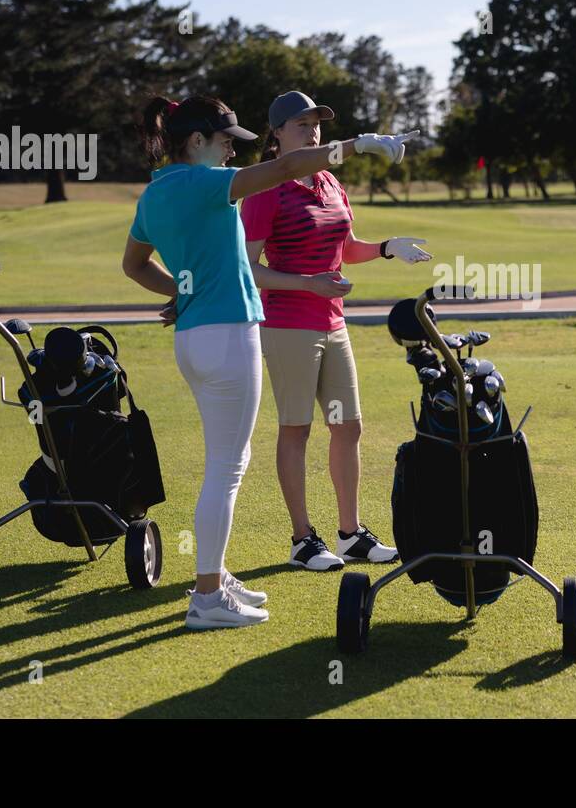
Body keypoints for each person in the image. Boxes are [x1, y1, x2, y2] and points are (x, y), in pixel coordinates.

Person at [123, 93, 407, 628]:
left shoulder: (155, 192)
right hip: (228, 336)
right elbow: (286, 167)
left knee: (225, 464)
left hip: (193, 338)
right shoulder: (206, 183)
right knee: (227, 469)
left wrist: (180, 295)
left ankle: (217, 577)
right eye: (227, 142)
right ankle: (207, 596)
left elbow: (133, 264)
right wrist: (359, 145)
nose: (232, 153)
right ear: (197, 141)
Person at [241, 90, 432, 570]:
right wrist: (310, 284)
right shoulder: (267, 189)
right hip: (288, 325)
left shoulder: (329, 182)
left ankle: (351, 534)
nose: (312, 131)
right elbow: (248, 268)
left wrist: (388, 246)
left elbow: (345, 248)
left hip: (333, 322)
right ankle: (303, 540)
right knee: (296, 429)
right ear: (278, 134)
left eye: (316, 123)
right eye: (301, 124)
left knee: (348, 426)